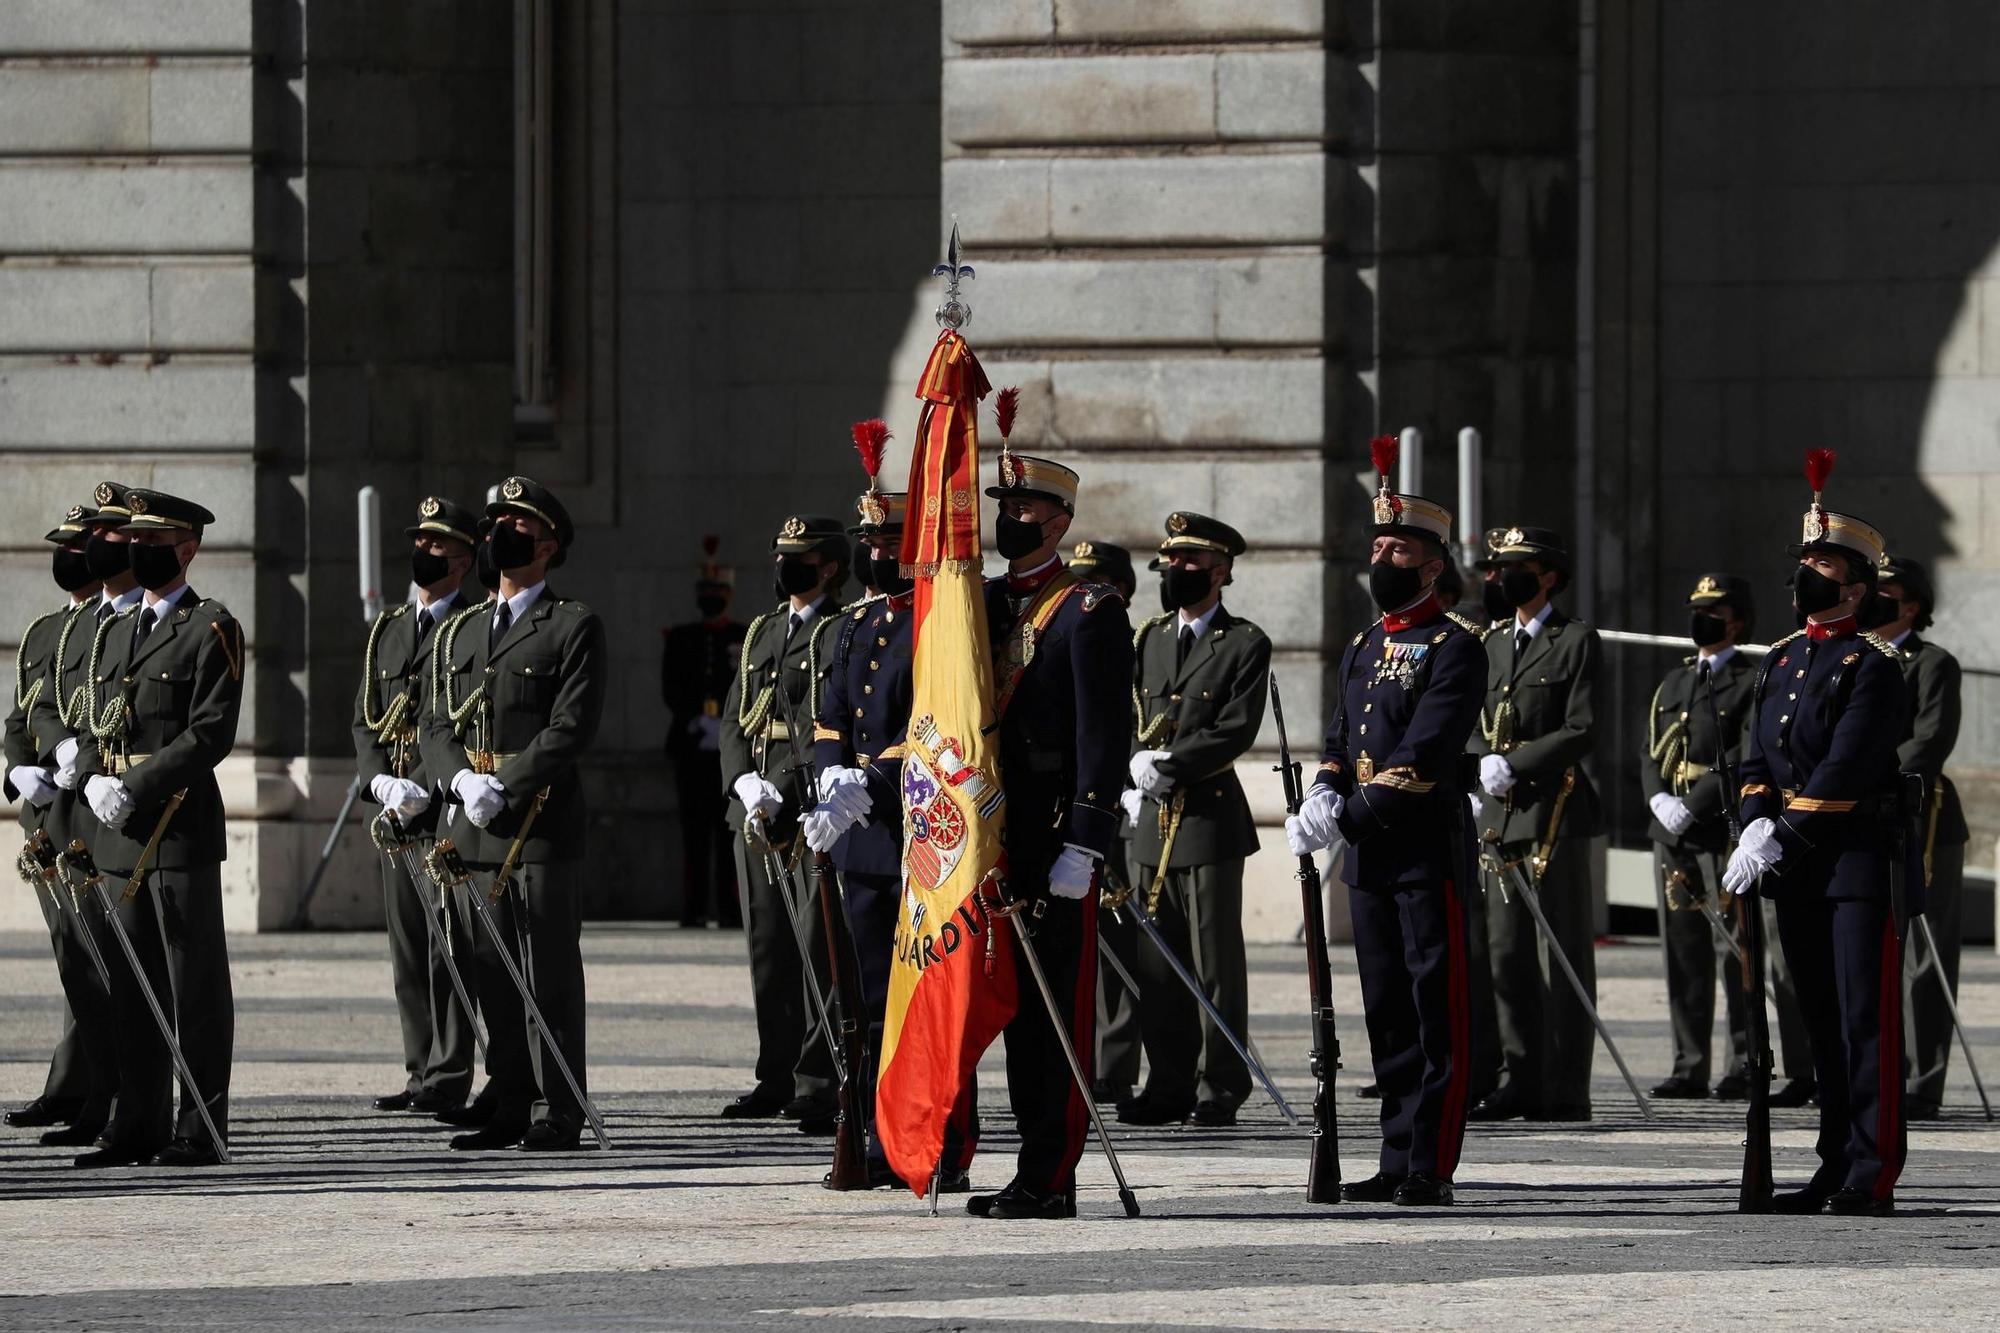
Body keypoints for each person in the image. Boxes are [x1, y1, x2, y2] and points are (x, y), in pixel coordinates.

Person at [1285, 453, 1484, 1206]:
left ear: (1433, 565)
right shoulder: (1365, 645)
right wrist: (1323, 792)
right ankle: (1395, 1153)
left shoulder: (1455, 646)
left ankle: (1431, 1160)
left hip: (1421, 845)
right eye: (1377, 547)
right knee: (1386, 1009)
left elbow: (1425, 750)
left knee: (1437, 1010)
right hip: (1369, 855)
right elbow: (1342, 739)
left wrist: (1351, 816)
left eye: (1398, 550)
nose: (1383, 558)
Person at [1723, 455, 1910, 1215]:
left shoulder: (1874, 666)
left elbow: (1846, 767)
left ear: (1856, 587)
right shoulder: (1783, 658)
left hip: (1854, 865)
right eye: (1805, 560)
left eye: (1823, 563)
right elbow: (1755, 753)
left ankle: (1873, 1168)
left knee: (1865, 1020)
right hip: (1797, 868)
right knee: (1819, 1023)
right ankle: (1834, 1160)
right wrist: (1753, 815)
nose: (1808, 572)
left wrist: (1780, 832)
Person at [965, 453, 1132, 1220]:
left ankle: (1051, 1173)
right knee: (1010, 1009)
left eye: (1027, 508)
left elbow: (1105, 733)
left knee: (1052, 1014)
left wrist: (1088, 839)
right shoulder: (988, 601)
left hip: (1058, 832)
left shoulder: (1088, 611)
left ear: (1060, 521)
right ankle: (1025, 1164)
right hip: (996, 830)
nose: (1013, 517)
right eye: (1006, 503)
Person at [427, 476, 606, 1151]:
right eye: (495, 520)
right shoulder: (464, 628)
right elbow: (434, 719)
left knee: (548, 972)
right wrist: (457, 782)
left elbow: (570, 727)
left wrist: (503, 781)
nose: (502, 531)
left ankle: (559, 1106)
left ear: (548, 543)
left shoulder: (572, 624)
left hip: (539, 822)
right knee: (490, 970)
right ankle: (508, 1096)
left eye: (518, 524)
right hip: (474, 822)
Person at [75, 487, 245, 1167]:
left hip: (175, 827)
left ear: (188, 547)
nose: (136, 549)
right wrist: (90, 774)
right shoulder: (112, 629)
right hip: (117, 830)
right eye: (133, 538)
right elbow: (88, 712)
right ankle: (137, 1119)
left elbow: (211, 731)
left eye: (153, 539)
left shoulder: (211, 627)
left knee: (191, 982)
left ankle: (201, 1123)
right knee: (129, 981)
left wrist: (134, 784)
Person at [805, 474, 942, 1188]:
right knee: (860, 994)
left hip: (913, 831)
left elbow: (932, 718)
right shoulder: (852, 625)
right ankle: (867, 1126)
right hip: (858, 838)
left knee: (918, 993)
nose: (876, 552)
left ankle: (928, 1135)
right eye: (869, 541)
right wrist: (829, 772)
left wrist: (871, 780)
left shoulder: (933, 620)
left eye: (888, 540)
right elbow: (830, 715)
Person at [1117, 513, 1268, 1130]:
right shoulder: (1148, 636)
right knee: (1156, 961)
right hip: (1149, 818)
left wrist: (1172, 763)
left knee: (1213, 961)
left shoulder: (1243, 642)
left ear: (1221, 571)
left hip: (1205, 818)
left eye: (1190, 564)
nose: (1177, 572)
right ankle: (1169, 1080)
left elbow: (1236, 728)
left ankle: (1220, 1085)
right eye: (1171, 563)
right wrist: (1132, 766)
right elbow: (1125, 710)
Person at [717, 514, 850, 1131]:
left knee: (814, 948)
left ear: (827, 566)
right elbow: (734, 719)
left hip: (804, 811)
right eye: (780, 555)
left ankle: (818, 1079)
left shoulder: (839, 629)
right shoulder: (763, 631)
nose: (783, 567)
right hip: (755, 807)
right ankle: (774, 1072)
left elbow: (823, 727)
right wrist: (742, 780)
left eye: (797, 557)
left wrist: (786, 791)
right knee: (767, 948)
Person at [1467, 526, 1603, 1123]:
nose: (1499, 578)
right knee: (1505, 951)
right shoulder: (1491, 642)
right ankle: (1520, 1077)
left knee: (1559, 950)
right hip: (1498, 814)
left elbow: (1580, 727)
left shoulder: (1574, 640)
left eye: (1513, 567)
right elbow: (1469, 716)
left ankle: (1566, 1086)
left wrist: (1515, 762)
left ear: (1547, 575)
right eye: (1497, 569)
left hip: (1553, 809)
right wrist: (1482, 762)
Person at [353, 496, 480, 1117]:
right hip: (394, 812)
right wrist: (380, 783)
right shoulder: (390, 629)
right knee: (406, 945)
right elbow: (365, 720)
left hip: (442, 805)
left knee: (448, 943)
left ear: (462, 561)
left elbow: (462, 721)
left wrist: (429, 786)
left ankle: (451, 1070)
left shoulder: (475, 625)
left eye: (437, 547)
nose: (423, 554)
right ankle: (419, 1065)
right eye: (420, 545)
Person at [3, 499, 122, 1146]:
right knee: (72, 957)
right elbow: (24, 713)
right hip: (45, 810)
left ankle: (102, 1090)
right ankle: (74, 1082)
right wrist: (19, 769)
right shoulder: (47, 630)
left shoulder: (115, 625)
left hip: (90, 808)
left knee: (104, 957)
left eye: (79, 546)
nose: (68, 557)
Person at [1641, 574, 1760, 1099]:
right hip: (1672, 830)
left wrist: (1693, 804)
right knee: (1683, 950)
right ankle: (1689, 1063)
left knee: (1733, 949)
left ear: (1734, 620)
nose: (1701, 618)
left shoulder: (1750, 679)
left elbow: (1743, 753)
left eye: (1712, 610)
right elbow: (1649, 748)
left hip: (1718, 826)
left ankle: (1744, 1060)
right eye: (1698, 609)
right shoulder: (1674, 681)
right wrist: (1659, 800)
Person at [1871, 554, 1968, 1122]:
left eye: (1888, 594)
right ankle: (1878, 1070)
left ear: (1911, 606)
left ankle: (1923, 1080)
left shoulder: (1932, 663)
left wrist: (1865, 774)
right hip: (1860, 814)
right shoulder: (1856, 658)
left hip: (1921, 816)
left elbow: (1930, 739)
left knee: (1925, 954)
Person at [1070, 541, 1142, 1104]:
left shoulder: (1132, 639)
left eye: (1094, 582)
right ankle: (1080, 1057)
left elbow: (1127, 722)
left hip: (1125, 807)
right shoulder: (1072, 632)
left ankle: (1115, 1063)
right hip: (1079, 804)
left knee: (1119, 942)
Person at [662, 537, 746, 929]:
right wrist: (695, 718)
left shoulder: (741, 636)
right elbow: (670, 688)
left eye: (718, 591)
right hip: (692, 745)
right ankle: (694, 906)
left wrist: (725, 726)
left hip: (726, 748)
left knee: (727, 829)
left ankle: (728, 908)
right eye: (706, 592)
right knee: (693, 831)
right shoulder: (680, 638)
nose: (712, 598)